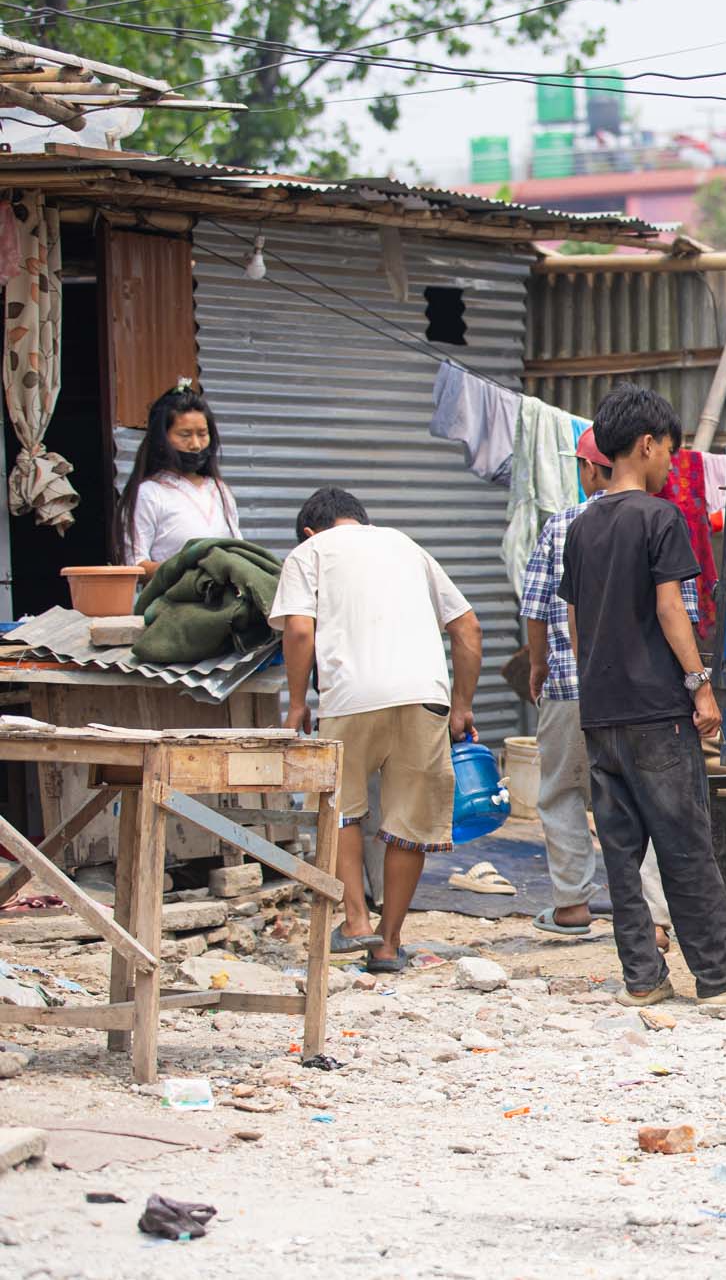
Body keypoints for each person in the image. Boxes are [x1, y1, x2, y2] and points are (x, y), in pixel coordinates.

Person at [560, 386, 726, 1009]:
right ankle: (719, 976)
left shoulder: (581, 524)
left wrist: (595, 681)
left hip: (600, 713)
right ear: (646, 445)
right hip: (656, 710)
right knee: (684, 843)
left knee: (622, 855)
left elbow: (574, 623)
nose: (671, 464)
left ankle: (643, 980)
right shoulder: (659, 517)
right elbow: (670, 607)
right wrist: (698, 683)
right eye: (670, 452)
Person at [270, 488, 481, 973]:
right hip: (424, 694)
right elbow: (468, 628)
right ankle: (388, 945)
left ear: (309, 530)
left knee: (342, 806)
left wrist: (299, 702)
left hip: (350, 695)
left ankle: (357, 921)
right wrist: (462, 705)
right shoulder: (407, 546)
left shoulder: (309, 553)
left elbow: (299, 631)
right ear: (362, 521)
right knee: (409, 822)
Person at [521, 427, 686, 948]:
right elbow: (681, 610)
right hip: (646, 695)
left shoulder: (566, 524)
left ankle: (572, 902)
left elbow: (539, 605)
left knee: (562, 793)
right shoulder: (661, 517)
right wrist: (693, 682)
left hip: (576, 685)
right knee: (651, 800)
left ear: (596, 467)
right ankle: (654, 916)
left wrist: (540, 665)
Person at [116, 381, 241, 572]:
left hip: (223, 601)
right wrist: (186, 570)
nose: (196, 444)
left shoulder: (219, 490)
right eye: (185, 434)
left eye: (202, 434)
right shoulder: (149, 493)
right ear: (162, 438)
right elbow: (135, 565)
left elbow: (239, 553)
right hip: (174, 601)